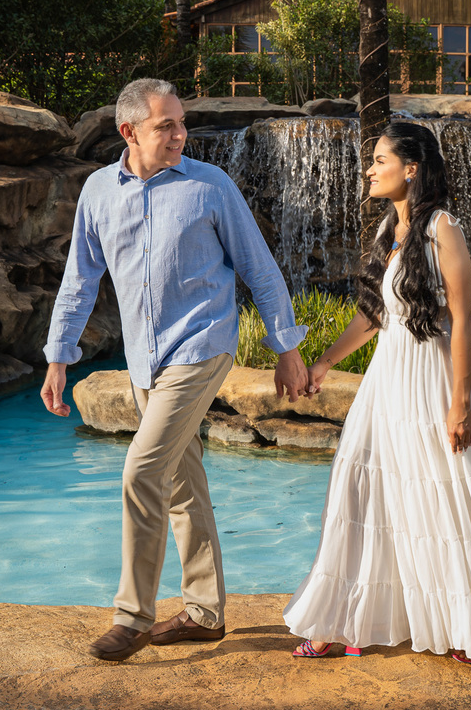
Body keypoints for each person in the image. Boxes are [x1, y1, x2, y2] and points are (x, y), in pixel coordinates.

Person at [40, 78, 309, 662]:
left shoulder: (210, 187)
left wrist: (286, 347)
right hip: (143, 357)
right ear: (128, 131)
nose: (180, 135)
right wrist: (59, 355)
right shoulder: (97, 191)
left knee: (140, 469)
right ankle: (206, 612)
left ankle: (132, 617)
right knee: (183, 482)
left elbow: (259, 268)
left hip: (201, 347)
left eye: (181, 123)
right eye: (167, 126)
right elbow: (80, 279)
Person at [283, 122, 471, 664]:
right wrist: (323, 362)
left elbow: (461, 321)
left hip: (434, 384)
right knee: (363, 492)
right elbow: (376, 316)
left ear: (410, 168)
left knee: (453, 497)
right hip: (388, 382)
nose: (369, 169)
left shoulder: (442, 228)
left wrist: (460, 404)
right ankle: (342, 617)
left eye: (379, 160)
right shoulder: (391, 227)